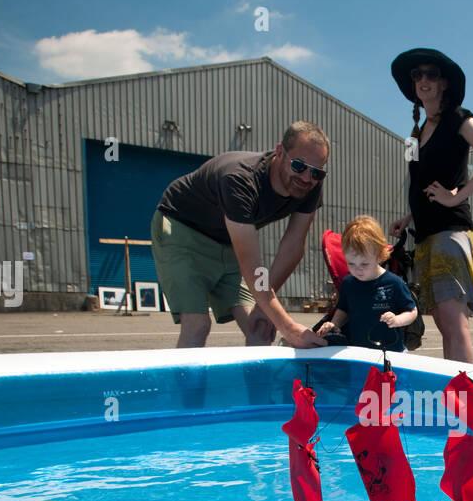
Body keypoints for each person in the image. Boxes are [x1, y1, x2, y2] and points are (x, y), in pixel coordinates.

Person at [151, 121, 329, 349]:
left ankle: (258, 384)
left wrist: (265, 308)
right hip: (182, 230)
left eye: (317, 172)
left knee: (260, 328)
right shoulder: (240, 179)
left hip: (227, 242)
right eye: (298, 166)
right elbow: (253, 266)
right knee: (197, 325)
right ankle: (183, 385)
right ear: (279, 152)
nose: (306, 178)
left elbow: (292, 247)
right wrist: (288, 326)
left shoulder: (311, 185)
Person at [388, 48, 473, 364]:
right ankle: (453, 398)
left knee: (453, 322)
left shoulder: (459, 117)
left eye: (431, 74)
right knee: (443, 322)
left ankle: (466, 403)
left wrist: (456, 196)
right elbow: (417, 184)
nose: (423, 80)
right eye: (417, 75)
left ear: (443, 83)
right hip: (425, 235)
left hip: (450, 232)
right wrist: (408, 215)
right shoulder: (413, 137)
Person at [317, 215, 418, 353]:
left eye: (364, 263)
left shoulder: (394, 283)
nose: (358, 269)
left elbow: (412, 311)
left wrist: (397, 320)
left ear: (379, 255)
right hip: (358, 351)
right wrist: (334, 324)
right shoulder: (348, 283)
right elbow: (343, 310)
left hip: (391, 352)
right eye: (351, 263)